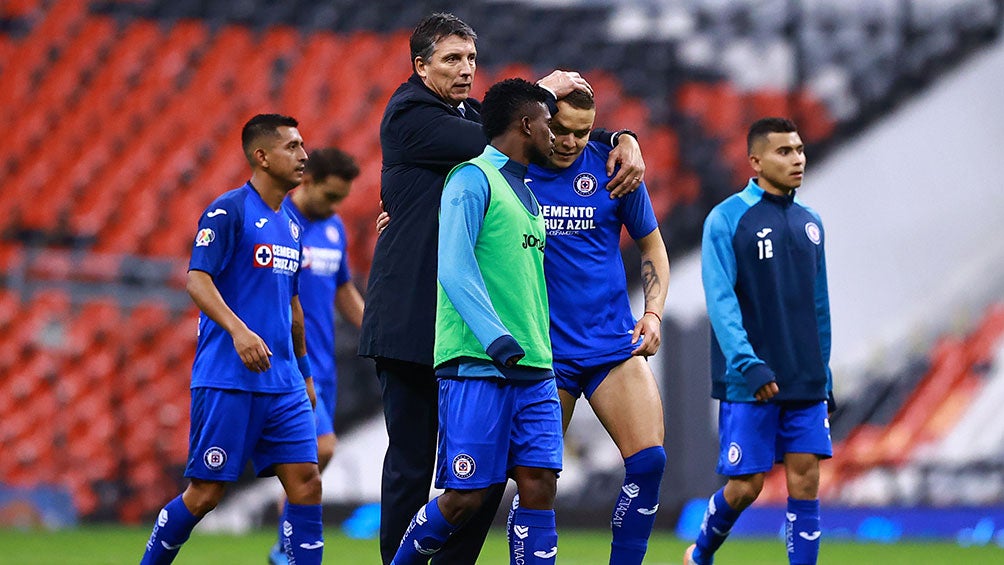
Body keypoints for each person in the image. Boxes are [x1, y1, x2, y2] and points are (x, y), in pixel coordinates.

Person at [358, 12, 647, 565]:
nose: (466, 70)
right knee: (414, 462)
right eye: (450, 59)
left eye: (470, 58)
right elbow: (506, 137)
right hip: (413, 313)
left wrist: (620, 138)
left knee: (481, 470)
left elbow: (528, 135)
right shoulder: (409, 113)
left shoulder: (467, 114)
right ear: (419, 66)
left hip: (467, 319)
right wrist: (543, 93)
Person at [139, 114, 324, 565]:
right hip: (229, 378)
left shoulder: (294, 225)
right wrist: (240, 332)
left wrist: (304, 372)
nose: (304, 156)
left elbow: (293, 307)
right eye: (292, 147)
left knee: (307, 482)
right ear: (261, 156)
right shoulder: (229, 210)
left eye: (303, 146)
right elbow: (197, 280)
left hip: (282, 382)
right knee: (205, 495)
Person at [392, 77, 559, 565]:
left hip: (535, 367)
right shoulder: (470, 178)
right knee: (465, 497)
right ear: (526, 124)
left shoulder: (528, 192)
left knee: (540, 484)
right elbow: (455, 266)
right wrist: (495, 337)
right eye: (549, 124)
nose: (555, 135)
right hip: (479, 364)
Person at [521, 88, 670, 565]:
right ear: (541, 122)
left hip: (609, 342)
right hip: (543, 354)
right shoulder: (512, 170)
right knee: (536, 482)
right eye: (559, 129)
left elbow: (653, 248)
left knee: (648, 461)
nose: (568, 141)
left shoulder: (614, 168)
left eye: (581, 132)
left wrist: (652, 313)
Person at [684, 117, 833, 565]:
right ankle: (701, 551)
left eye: (800, 150)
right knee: (746, 486)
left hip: (805, 378)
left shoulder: (812, 222)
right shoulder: (728, 218)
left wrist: (823, 373)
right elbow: (721, 298)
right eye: (784, 151)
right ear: (755, 160)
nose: (797, 159)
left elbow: (818, 304)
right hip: (750, 378)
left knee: (805, 480)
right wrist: (747, 363)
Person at [267, 147, 365, 565]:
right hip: (288, 365)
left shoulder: (334, 228)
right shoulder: (277, 224)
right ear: (305, 182)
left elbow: (343, 289)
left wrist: (375, 331)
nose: (335, 206)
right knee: (322, 450)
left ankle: (284, 548)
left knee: (311, 461)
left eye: (341, 198)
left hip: (323, 365)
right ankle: (288, 546)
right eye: (329, 196)